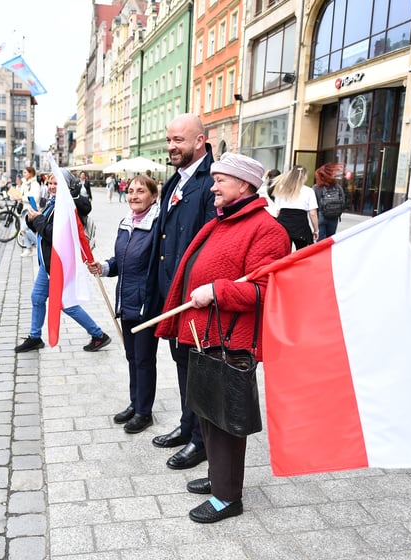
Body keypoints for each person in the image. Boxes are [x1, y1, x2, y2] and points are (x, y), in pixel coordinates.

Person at [155, 152, 291, 523]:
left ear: (244, 185)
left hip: (231, 341)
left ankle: (227, 498)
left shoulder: (267, 230)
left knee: (226, 423)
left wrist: (217, 291)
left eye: (220, 180)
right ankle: (219, 478)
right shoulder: (224, 221)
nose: (212, 187)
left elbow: (266, 291)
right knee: (207, 415)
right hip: (205, 336)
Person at [148, 113, 216, 471]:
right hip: (172, 295)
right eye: (169, 140)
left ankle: (201, 441)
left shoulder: (211, 182)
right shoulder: (175, 180)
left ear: (199, 142)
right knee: (182, 363)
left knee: (198, 368)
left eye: (179, 141)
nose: (171, 146)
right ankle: (188, 425)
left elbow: (210, 244)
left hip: (195, 297)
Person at [87, 175, 161, 434]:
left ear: (154, 196)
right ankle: (135, 402)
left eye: (141, 191)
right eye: (131, 191)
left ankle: (144, 412)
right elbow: (122, 261)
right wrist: (104, 267)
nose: (134, 196)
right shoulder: (126, 222)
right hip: (125, 299)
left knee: (143, 359)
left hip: (146, 304)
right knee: (132, 357)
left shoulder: (157, 225)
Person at [15, 169, 111, 354]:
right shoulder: (54, 203)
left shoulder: (68, 207)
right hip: (48, 264)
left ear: (67, 186)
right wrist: (31, 218)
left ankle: (98, 335)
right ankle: (35, 337)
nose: (51, 186)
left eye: (56, 183)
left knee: (65, 303)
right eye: (50, 183)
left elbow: (54, 235)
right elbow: (40, 226)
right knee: (37, 298)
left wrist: (39, 219)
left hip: (59, 264)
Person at [271, 166, 318, 250]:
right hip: (300, 225)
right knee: (301, 253)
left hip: (283, 223)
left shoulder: (281, 189)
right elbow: (313, 213)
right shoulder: (309, 191)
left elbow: (277, 212)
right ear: (304, 177)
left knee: (283, 253)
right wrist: (316, 230)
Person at [313, 162, 346, 240]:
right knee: (330, 239)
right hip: (334, 216)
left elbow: (314, 205)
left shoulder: (316, 188)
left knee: (320, 242)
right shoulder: (338, 187)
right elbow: (343, 201)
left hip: (321, 215)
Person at [19, 166, 42, 257]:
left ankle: (39, 245)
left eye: (25, 172)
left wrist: (22, 198)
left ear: (31, 173)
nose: (23, 174)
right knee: (24, 230)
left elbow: (35, 198)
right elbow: (22, 194)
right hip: (25, 209)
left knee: (24, 229)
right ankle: (29, 249)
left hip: (32, 210)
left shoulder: (35, 184)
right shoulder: (25, 184)